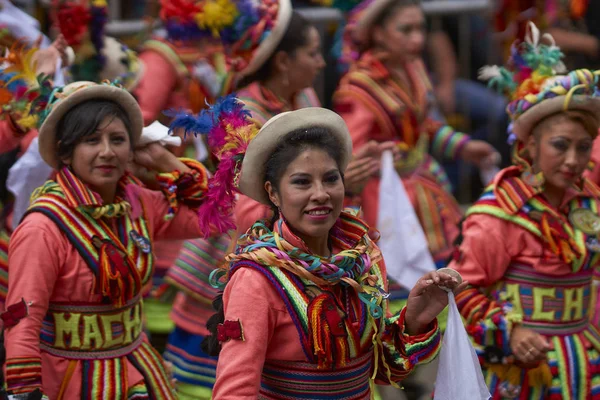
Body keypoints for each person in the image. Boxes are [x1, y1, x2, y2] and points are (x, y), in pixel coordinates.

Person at [195, 98, 465, 398]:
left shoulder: (361, 260)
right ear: (272, 193)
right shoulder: (257, 280)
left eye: (330, 179)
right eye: (301, 182)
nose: (320, 194)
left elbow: (381, 369)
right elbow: (235, 392)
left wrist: (415, 320)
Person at [1, 80, 230, 398]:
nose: (106, 152)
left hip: (138, 373)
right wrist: (25, 391)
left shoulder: (139, 204)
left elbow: (218, 217)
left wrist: (164, 162)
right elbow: (22, 317)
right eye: (91, 140)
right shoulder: (42, 227)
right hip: (68, 382)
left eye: (118, 140)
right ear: (66, 153)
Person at [451, 22, 600, 398]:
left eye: (584, 148)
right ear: (529, 145)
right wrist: (511, 331)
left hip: (587, 365)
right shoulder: (498, 213)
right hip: (526, 374)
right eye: (560, 145)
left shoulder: (589, 201)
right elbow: (461, 287)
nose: (573, 160)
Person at [334, 0, 497, 267]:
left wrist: (463, 147)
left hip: (425, 188)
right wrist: (378, 155)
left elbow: (423, 126)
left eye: (420, 28)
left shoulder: (413, 67)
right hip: (384, 201)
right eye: (405, 30)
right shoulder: (357, 87)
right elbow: (348, 153)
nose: (417, 38)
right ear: (378, 33)